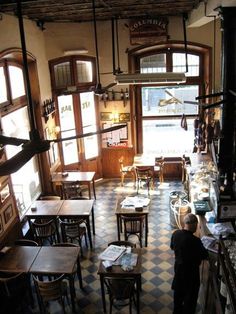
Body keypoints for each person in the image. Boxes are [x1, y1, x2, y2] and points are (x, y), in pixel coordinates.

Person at [170, 213, 208, 314]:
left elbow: (172, 247)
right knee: (190, 303)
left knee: (177, 300)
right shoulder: (196, 241)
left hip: (178, 271)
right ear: (195, 225)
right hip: (191, 275)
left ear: (185, 223)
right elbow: (205, 255)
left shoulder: (176, 234)